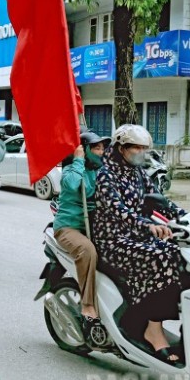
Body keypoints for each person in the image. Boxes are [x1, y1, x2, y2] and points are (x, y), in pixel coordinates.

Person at [92, 124, 184, 366]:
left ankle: (152, 315)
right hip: (114, 240)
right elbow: (118, 211)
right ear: (122, 148)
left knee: (179, 253)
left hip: (137, 237)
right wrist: (147, 225)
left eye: (145, 148)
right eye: (137, 148)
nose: (142, 152)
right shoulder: (106, 174)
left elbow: (158, 200)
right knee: (162, 258)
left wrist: (186, 216)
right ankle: (153, 330)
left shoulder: (138, 173)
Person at [54, 131, 110, 346]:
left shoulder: (102, 171)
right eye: (96, 148)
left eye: (102, 148)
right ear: (85, 150)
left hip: (96, 226)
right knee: (87, 250)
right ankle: (87, 305)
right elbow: (74, 186)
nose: (101, 152)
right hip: (69, 227)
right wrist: (78, 160)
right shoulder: (72, 169)